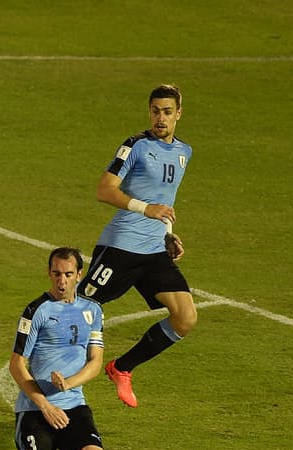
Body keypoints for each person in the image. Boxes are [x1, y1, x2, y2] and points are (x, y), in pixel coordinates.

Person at [10, 247, 132, 450]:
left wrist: (69, 384)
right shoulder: (37, 311)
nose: (61, 281)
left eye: (68, 274)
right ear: (49, 273)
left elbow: (95, 361)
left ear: (79, 274)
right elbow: (16, 365)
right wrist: (46, 404)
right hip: (34, 411)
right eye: (56, 273)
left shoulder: (92, 310)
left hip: (74, 405)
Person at [79, 84, 193, 408]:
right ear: (149, 112)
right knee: (79, 309)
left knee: (185, 317)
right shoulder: (135, 147)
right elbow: (105, 189)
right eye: (156, 111)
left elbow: (164, 203)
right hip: (120, 246)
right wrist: (146, 209)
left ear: (178, 115)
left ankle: (122, 367)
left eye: (167, 112)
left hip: (154, 250)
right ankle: (55, 381)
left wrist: (168, 233)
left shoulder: (184, 153)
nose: (161, 118)